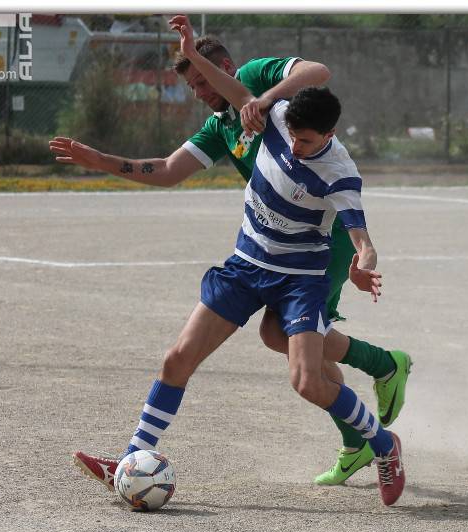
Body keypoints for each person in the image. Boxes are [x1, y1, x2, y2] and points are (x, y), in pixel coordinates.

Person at [54, 27, 410, 497]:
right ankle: (129, 459)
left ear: (330, 135)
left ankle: (383, 445)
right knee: (177, 358)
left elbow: (362, 235)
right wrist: (104, 157)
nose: (295, 147)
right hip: (246, 263)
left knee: (305, 380)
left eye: (307, 142)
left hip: (301, 276)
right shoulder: (273, 117)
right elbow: (231, 104)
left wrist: (364, 262)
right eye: (294, 140)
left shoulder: (340, 174)